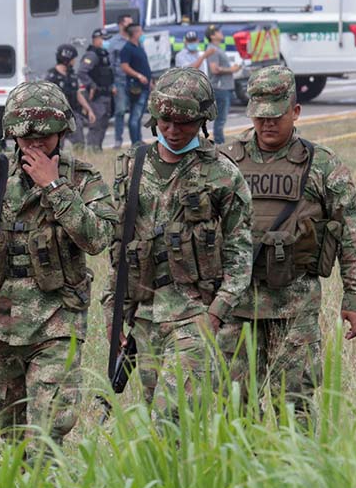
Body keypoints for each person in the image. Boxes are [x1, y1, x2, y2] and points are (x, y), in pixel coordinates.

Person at [0, 81, 117, 445]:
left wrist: (54, 187)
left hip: (57, 321)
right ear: (12, 134)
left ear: (62, 132)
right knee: (11, 435)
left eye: (44, 136)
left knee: (47, 432)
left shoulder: (82, 179)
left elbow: (99, 238)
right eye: (26, 137)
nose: (35, 145)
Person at [219, 65, 356, 423]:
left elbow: (352, 233)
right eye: (260, 116)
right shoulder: (226, 162)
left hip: (295, 305)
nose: (267, 124)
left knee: (293, 404)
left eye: (276, 116)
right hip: (235, 307)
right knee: (233, 402)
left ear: (296, 111)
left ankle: (297, 459)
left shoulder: (321, 165)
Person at [103, 67, 253, 420]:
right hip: (144, 316)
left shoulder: (222, 173)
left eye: (183, 123)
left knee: (171, 415)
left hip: (194, 313)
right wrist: (113, 311)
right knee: (160, 418)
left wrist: (216, 313)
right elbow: (119, 246)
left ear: (202, 120)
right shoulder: (132, 166)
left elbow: (240, 251)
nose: (172, 130)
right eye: (165, 120)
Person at [45, 43, 96, 150]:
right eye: (73, 59)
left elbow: (78, 94)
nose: (74, 62)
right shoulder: (51, 77)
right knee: (57, 147)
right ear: (66, 59)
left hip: (73, 115)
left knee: (79, 144)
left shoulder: (72, 75)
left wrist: (89, 110)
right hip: (57, 117)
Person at [76, 28, 114, 151]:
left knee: (104, 123)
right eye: (103, 39)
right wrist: (91, 85)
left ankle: (98, 148)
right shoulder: (92, 55)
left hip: (106, 94)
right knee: (96, 124)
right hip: (96, 96)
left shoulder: (104, 54)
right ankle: (92, 149)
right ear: (96, 39)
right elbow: (82, 72)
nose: (106, 42)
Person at [204, 24, 242, 144]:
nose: (221, 33)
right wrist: (232, 69)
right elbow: (214, 69)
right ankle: (219, 143)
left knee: (222, 118)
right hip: (220, 87)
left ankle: (219, 142)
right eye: (218, 32)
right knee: (220, 119)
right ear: (212, 36)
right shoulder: (213, 50)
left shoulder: (217, 48)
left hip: (225, 87)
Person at [118, 23, 153, 145]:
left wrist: (150, 81)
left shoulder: (139, 47)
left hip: (145, 86)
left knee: (139, 116)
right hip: (136, 87)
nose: (142, 34)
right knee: (135, 115)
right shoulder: (127, 49)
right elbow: (124, 66)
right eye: (140, 31)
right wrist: (138, 76)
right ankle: (135, 141)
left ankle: (139, 139)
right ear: (135, 33)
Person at [110, 14, 134, 148]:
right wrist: (112, 84)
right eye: (128, 23)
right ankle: (118, 140)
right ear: (120, 24)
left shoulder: (135, 40)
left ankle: (135, 140)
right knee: (120, 111)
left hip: (134, 81)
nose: (131, 26)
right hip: (119, 81)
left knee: (135, 111)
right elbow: (110, 65)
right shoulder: (114, 42)